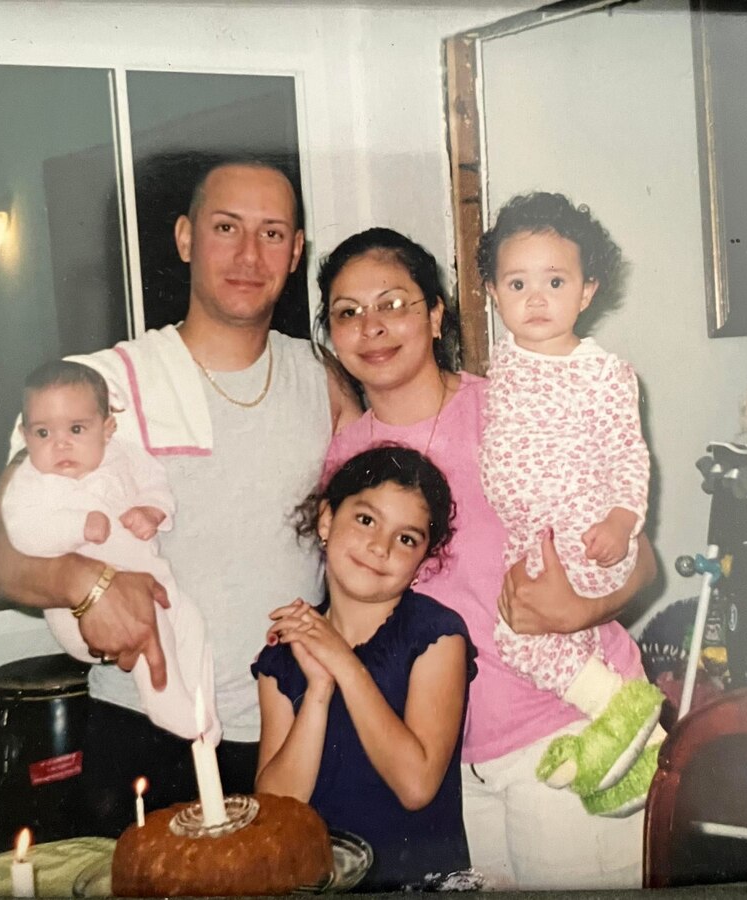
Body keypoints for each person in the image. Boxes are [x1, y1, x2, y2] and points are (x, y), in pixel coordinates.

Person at [0, 157, 360, 836]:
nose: (247, 254)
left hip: (288, 727)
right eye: (225, 227)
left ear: (295, 253)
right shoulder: (104, 383)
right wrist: (79, 581)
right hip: (148, 728)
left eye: (272, 233)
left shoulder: (319, 377)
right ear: (184, 238)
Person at [315, 227, 657, 890]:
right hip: (451, 758)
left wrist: (582, 607)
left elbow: (640, 557)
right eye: (347, 313)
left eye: (394, 304)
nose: (372, 327)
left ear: (437, 312)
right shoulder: (346, 455)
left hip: (568, 729)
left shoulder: (511, 407)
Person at [477, 192, 665, 813]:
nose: (536, 298)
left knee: (523, 640)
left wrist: (621, 520)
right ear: (493, 293)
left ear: (586, 292)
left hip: (584, 534)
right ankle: (630, 759)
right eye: (518, 282)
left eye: (555, 281)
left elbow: (629, 455)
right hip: (529, 538)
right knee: (539, 645)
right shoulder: (502, 363)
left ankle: (621, 713)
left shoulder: (602, 372)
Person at [252, 446, 477, 891]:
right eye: (366, 520)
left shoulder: (437, 635)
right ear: (326, 520)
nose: (381, 547)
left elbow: (416, 786)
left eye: (407, 538)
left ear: (421, 561)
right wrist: (317, 689)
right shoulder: (284, 655)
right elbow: (277, 808)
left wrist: (343, 662)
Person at [2, 360, 219, 743]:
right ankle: (170, 709)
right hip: (81, 612)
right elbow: (21, 531)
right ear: (24, 435)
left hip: (154, 581)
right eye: (42, 432)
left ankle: (202, 707)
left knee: (192, 623)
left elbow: (156, 483)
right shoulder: (33, 481)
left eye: (76, 429)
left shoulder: (124, 456)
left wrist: (153, 510)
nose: (60, 443)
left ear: (107, 428)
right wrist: (75, 526)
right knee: (154, 629)